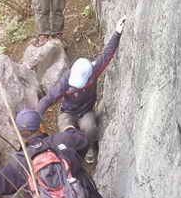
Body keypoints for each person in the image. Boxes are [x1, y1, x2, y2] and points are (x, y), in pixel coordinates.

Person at [37, 16, 126, 163]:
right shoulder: (66, 80)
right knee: (66, 134)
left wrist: (117, 33)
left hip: (86, 111)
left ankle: (89, 147)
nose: (75, 86)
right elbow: (49, 98)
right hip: (68, 112)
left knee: (90, 128)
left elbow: (107, 54)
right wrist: (36, 116)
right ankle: (70, 155)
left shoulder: (94, 70)